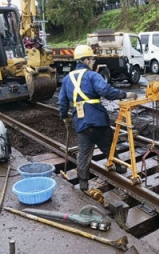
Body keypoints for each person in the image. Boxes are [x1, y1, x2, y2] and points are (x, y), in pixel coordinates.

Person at [58, 45, 137, 191]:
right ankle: (119, 167)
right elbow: (105, 91)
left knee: (84, 152)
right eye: (92, 59)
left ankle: (83, 182)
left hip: (81, 121)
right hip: (97, 119)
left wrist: (64, 117)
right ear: (86, 60)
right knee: (108, 145)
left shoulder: (67, 79)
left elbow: (62, 102)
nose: (93, 61)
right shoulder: (92, 75)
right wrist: (125, 95)